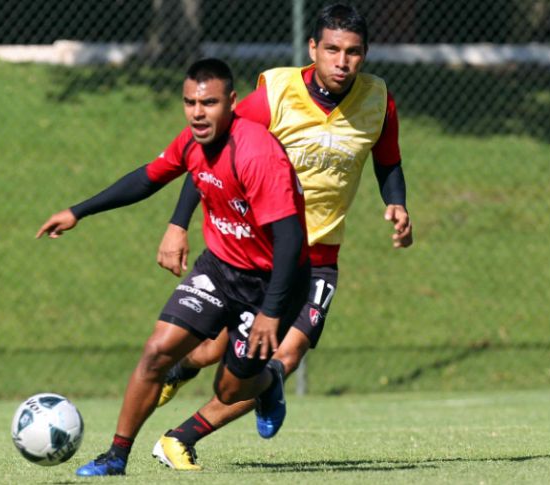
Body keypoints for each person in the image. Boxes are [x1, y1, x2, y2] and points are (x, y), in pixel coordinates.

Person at [151, 3, 414, 470]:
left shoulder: (379, 100)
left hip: (320, 255)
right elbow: (209, 149)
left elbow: (387, 160)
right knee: (221, 347)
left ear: (365, 54)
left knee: (281, 357)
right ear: (313, 48)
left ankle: (180, 438)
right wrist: (177, 223)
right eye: (332, 48)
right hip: (260, 251)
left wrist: (396, 202)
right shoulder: (276, 92)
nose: (342, 61)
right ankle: (185, 366)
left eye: (353, 52)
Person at [35, 58, 311, 477]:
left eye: (209, 103)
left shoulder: (257, 154)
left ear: (232, 102)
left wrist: (271, 312)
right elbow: (147, 178)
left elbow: (291, 242)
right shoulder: (193, 142)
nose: (198, 113)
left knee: (231, 387)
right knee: (156, 351)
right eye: (190, 103)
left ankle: (268, 382)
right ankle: (116, 457)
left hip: (273, 282)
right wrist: (79, 211)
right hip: (220, 268)